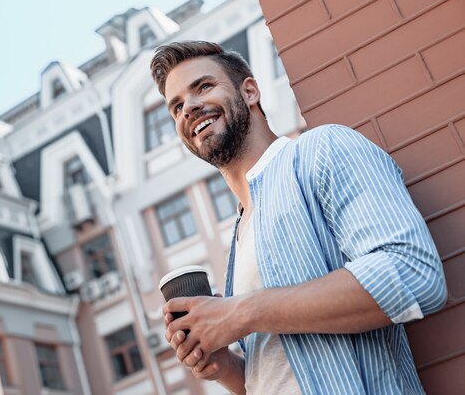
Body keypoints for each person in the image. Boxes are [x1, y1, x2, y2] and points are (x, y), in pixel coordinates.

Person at [149, 41, 447, 395]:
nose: (190, 108)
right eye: (177, 106)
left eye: (204, 87)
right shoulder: (240, 237)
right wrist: (224, 366)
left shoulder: (321, 150)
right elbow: (280, 376)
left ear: (250, 91)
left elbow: (413, 272)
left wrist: (240, 313)